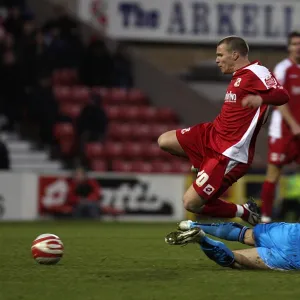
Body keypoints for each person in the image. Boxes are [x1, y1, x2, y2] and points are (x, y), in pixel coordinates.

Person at [158, 36, 290, 225]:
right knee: (164, 140)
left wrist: (261, 100)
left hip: (228, 151)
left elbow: (282, 94)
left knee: (191, 203)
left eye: (220, 55)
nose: (217, 60)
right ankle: (202, 162)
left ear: (235, 54)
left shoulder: (257, 71)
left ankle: (243, 211)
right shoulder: (238, 76)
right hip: (211, 134)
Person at [260, 31, 300, 223]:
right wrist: (293, 124)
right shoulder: (283, 69)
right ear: (289, 47)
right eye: (294, 44)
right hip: (283, 130)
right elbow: (278, 99)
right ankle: (266, 218)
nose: (297, 47)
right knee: (273, 173)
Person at [165, 220, 300, 271]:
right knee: (234, 260)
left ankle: (191, 225)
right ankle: (202, 239)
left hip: (291, 233)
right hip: (293, 256)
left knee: (245, 234)